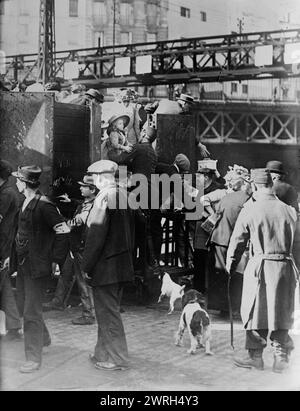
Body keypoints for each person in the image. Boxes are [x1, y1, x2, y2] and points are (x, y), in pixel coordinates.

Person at [226, 168, 299, 373]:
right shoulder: (289, 210)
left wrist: (229, 266)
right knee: (282, 311)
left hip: (260, 267)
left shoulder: (251, 209)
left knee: (255, 311)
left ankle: (256, 358)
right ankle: (280, 358)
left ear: (256, 185)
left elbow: (237, 241)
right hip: (286, 268)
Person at [11, 166, 70, 373]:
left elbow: (63, 231)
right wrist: (13, 258)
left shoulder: (45, 205)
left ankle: (33, 359)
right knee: (23, 305)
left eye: (18, 180)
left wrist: (55, 260)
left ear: (25, 183)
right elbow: (21, 232)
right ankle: (43, 338)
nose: (16, 183)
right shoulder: (25, 201)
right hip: (24, 265)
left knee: (30, 311)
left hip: (38, 266)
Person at [82, 160, 135, 371]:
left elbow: (96, 235)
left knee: (108, 313)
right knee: (106, 311)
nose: (93, 181)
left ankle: (118, 358)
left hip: (106, 266)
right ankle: (101, 353)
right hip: (120, 263)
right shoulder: (123, 195)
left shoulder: (104, 197)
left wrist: (86, 265)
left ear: (101, 177)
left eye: (94, 177)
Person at [43, 176, 98, 325]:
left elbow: (73, 224)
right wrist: (71, 201)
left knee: (82, 282)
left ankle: (88, 314)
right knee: (66, 274)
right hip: (75, 247)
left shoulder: (90, 208)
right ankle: (58, 301)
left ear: (92, 190)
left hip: (80, 249)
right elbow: (81, 203)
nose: (80, 188)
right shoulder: (88, 202)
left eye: (83, 186)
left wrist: (55, 215)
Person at [207, 167, 252, 314]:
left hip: (218, 238)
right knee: (234, 273)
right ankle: (232, 306)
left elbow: (218, 214)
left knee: (220, 274)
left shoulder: (227, 197)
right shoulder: (246, 199)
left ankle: (222, 306)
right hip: (230, 239)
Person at [193, 163, 224, 293]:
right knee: (199, 258)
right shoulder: (199, 189)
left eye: (199, 176)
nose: (196, 179)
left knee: (212, 259)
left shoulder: (218, 189)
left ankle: (212, 290)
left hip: (214, 227)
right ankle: (198, 289)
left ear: (206, 177)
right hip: (200, 227)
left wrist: (208, 214)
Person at [0, 160, 22, 341]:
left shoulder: (6, 194)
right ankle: (14, 325)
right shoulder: (10, 192)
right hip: (5, 247)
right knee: (5, 289)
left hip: (1, 247)